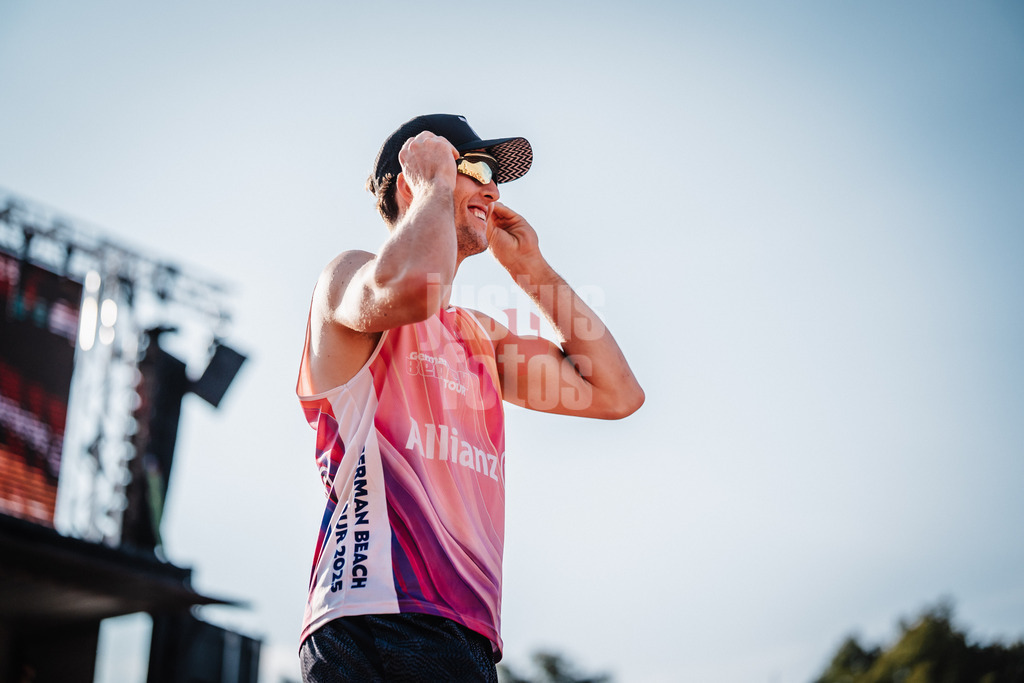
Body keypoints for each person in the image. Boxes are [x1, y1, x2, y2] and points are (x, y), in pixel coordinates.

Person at [295, 114, 644, 682]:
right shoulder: (348, 276)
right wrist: (431, 191)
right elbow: (410, 288)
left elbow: (616, 393)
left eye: (494, 176)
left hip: (465, 628)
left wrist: (532, 269)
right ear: (414, 178)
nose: (493, 189)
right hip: (371, 611)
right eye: (475, 168)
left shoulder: (476, 337)